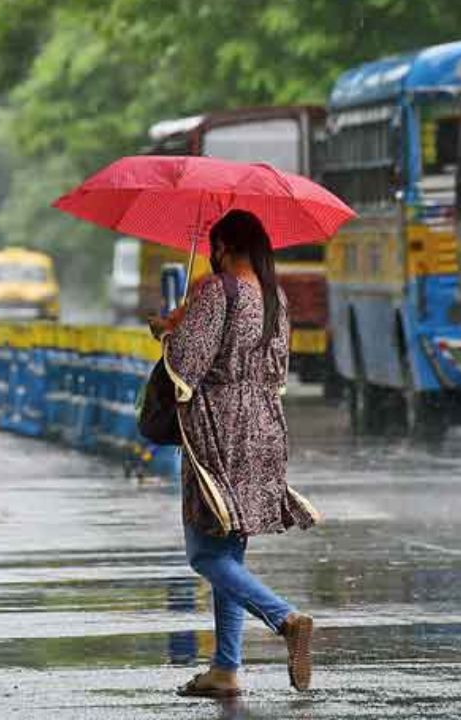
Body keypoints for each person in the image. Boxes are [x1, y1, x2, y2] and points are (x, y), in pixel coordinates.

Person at [151, 209, 321, 698]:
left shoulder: (217, 290)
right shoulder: (274, 297)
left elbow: (187, 365)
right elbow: (276, 366)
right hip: (264, 426)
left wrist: (169, 331)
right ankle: (225, 667)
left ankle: (285, 618)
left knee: (204, 552)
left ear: (223, 245)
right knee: (229, 548)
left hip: (218, 429)